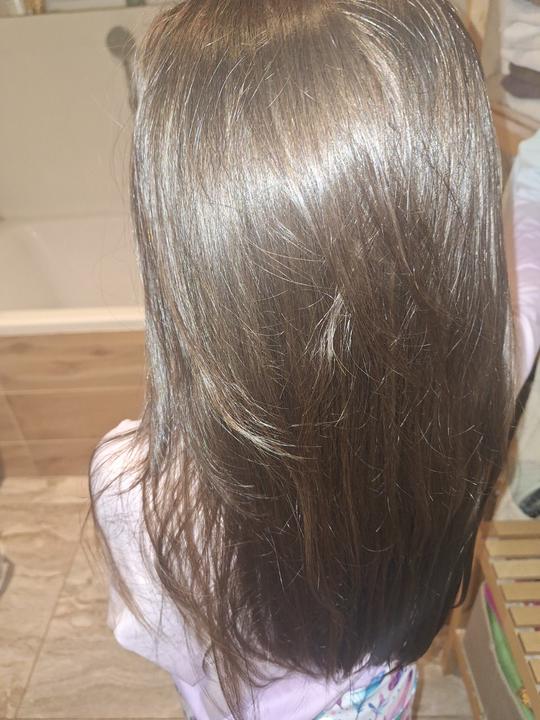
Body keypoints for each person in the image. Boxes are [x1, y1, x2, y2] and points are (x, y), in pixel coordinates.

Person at [89, 1, 539, 718]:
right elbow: (529, 256)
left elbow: (160, 638)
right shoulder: (494, 365)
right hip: (386, 691)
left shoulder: (141, 485)